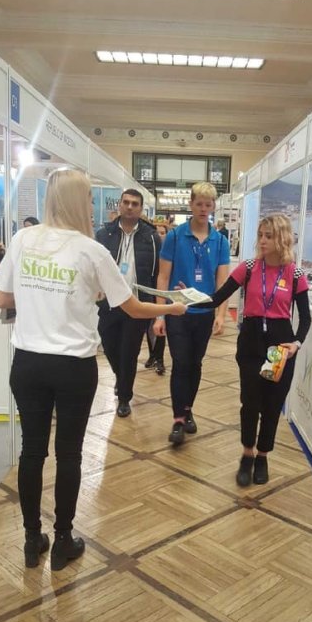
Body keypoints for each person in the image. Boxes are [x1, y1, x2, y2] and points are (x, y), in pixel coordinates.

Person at [0, 168, 185, 571]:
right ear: (80, 201)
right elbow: (131, 307)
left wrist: (40, 298)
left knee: (32, 450)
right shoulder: (91, 250)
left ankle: (32, 539)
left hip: (27, 363)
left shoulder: (23, 239)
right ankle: (63, 540)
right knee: (69, 453)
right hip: (73, 367)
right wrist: (172, 308)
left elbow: (3, 299)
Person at [199, 214, 311, 487]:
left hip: (279, 347)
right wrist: (188, 297)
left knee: (272, 405)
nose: (262, 241)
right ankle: (247, 454)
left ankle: (263, 456)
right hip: (251, 342)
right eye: (260, 235)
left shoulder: (295, 274)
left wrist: (296, 343)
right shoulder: (248, 268)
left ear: (282, 239)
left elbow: (306, 318)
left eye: (268, 236)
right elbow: (216, 298)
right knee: (250, 403)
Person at [153, 182, 230, 445]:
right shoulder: (175, 237)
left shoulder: (220, 241)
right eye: (199, 204)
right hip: (177, 312)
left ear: (214, 207)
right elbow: (163, 277)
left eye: (208, 205)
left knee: (195, 364)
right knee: (180, 363)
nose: (203, 209)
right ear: (191, 205)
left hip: (205, 313)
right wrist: (160, 314)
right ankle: (177, 419)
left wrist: (221, 314)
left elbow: (222, 283)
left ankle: (187, 410)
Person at [96, 189, 162, 417]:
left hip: (137, 304)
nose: (130, 207)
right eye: (126, 202)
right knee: (110, 346)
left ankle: (124, 397)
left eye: (135, 203)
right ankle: (120, 376)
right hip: (109, 303)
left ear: (141, 209)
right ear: (120, 205)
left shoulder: (151, 237)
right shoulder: (104, 234)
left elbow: (157, 273)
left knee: (129, 352)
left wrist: (157, 308)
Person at [145, 222, 169, 375]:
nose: (160, 235)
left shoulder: (169, 253)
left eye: (163, 233)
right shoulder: (150, 250)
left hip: (163, 294)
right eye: (157, 233)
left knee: (160, 324)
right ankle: (152, 354)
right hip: (150, 292)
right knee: (149, 327)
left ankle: (159, 359)